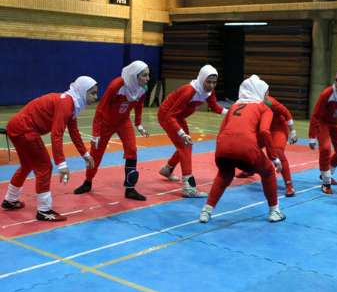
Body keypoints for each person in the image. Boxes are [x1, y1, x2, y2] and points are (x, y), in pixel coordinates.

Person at [2, 76, 97, 221]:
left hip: (17, 127)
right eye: (92, 93)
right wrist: (62, 164)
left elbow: (74, 132)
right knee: (44, 167)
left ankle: (10, 200)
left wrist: (85, 154)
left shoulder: (71, 103)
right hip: (25, 130)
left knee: (27, 165)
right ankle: (44, 210)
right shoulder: (66, 103)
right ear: (82, 91)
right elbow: (56, 134)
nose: (96, 97)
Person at [199, 75, 285, 223]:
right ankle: (274, 211)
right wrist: (274, 157)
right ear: (259, 92)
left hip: (222, 147)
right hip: (245, 148)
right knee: (269, 171)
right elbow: (265, 132)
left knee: (224, 174)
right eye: (266, 93)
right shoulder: (264, 108)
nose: (267, 96)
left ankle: (206, 211)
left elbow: (221, 131)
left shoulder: (233, 106)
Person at [74, 60, 150, 201]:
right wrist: (96, 132)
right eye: (144, 75)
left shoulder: (143, 88)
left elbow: (139, 105)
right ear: (135, 75)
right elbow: (100, 108)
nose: (148, 79)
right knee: (96, 154)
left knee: (132, 150)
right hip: (106, 123)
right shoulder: (117, 85)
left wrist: (138, 124)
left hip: (123, 122)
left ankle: (130, 189)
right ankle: (87, 182)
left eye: (148, 75)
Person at [157, 64, 227, 197]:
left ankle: (168, 169)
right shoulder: (189, 91)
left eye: (214, 82)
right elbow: (170, 115)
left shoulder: (208, 92)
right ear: (201, 79)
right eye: (209, 82)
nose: (212, 85)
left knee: (185, 145)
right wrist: (181, 133)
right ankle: (188, 187)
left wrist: (232, 112)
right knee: (185, 145)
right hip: (167, 116)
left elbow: (215, 107)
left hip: (178, 117)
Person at [236, 95, 298, 197]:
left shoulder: (270, 102)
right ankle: (249, 170)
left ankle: (289, 185)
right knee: (249, 147)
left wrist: (292, 131)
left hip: (278, 128)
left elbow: (286, 112)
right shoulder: (248, 101)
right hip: (263, 128)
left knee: (278, 152)